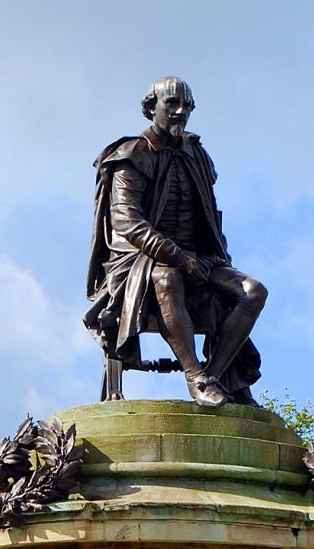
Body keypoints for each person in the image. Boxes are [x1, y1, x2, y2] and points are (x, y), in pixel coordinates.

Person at [84, 76, 267, 407]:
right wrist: (179, 257)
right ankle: (195, 376)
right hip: (138, 260)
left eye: (188, 106)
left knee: (253, 291)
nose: (181, 111)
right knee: (166, 276)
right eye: (172, 103)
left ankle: (213, 375)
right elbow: (127, 221)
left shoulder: (197, 155)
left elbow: (210, 217)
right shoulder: (132, 155)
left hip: (197, 260)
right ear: (152, 107)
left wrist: (215, 257)